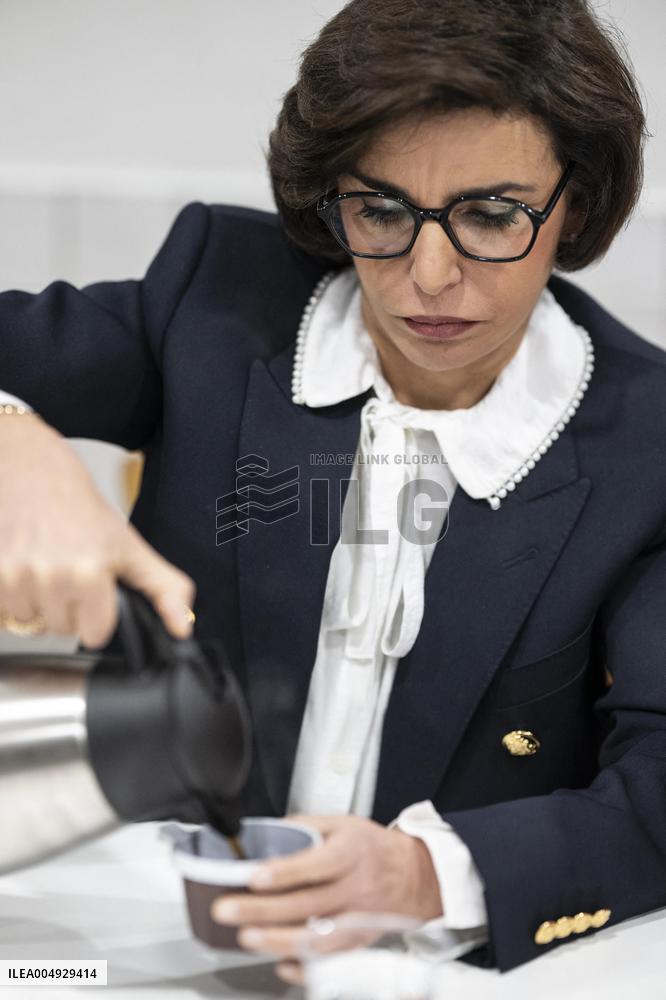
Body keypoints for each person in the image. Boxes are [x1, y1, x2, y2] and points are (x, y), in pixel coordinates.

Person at [0, 0, 664, 980]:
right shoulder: (217, 301)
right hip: (137, 936)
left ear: (576, 205)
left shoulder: (646, 442)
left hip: (454, 967)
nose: (429, 275)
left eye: (490, 214)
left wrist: (427, 873)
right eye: (383, 210)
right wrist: (14, 444)